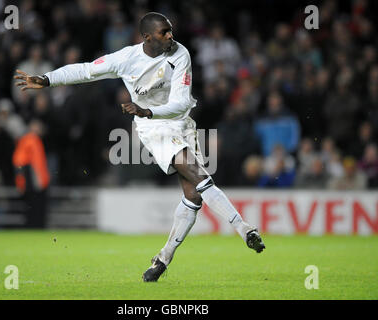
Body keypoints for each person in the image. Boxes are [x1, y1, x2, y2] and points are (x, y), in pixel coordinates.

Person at [14, 12, 265, 282]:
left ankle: (163, 258)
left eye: (170, 30)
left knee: (193, 195)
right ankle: (244, 228)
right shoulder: (127, 59)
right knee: (199, 176)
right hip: (154, 129)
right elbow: (86, 70)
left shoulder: (180, 54)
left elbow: (181, 103)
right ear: (147, 37)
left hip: (179, 123)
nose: (171, 36)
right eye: (164, 32)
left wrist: (146, 110)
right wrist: (48, 79)